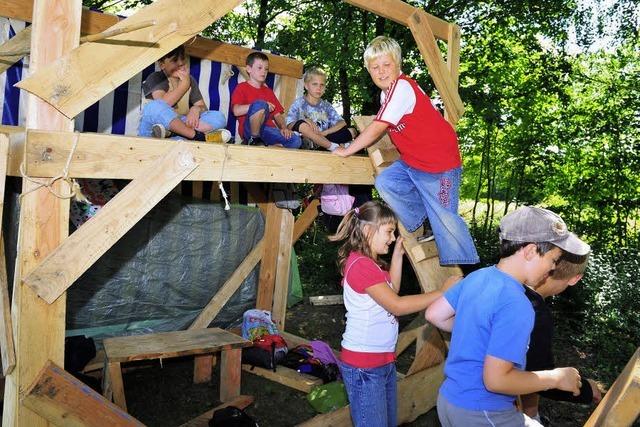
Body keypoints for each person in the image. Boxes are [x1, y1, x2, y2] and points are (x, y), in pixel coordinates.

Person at [425, 206, 591, 426]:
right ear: (531, 251)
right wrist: (556, 378)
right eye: (553, 259)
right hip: (483, 411)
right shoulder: (518, 304)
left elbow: (435, 314)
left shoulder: (478, 276)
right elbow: (496, 380)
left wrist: (481, 331)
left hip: (449, 401)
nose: (552, 269)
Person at [333, 36, 478, 266]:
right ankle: (422, 215)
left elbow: (378, 127)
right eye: (374, 68)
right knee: (387, 182)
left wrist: (349, 150)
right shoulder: (385, 95)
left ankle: (467, 268)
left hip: (441, 164)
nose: (381, 72)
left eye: (386, 65)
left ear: (398, 64)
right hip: (413, 161)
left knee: (446, 219)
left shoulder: (402, 87)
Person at [329, 200, 450, 427]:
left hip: (381, 361)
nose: (393, 238)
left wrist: (397, 256)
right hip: (365, 366)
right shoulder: (361, 265)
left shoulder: (371, 265)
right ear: (367, 230)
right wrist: (441, 292)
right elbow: (396, 305)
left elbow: (392, 289)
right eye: (389, 232)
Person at [521, 253, 602, 424]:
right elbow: (537, 376)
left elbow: (528, 363)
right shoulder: (537, 313)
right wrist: (586, 389)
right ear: (575, 278)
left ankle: (532, 415)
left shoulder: (514, 288)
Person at [139, 45, 231, 143]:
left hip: (182, 124)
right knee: (153, 106)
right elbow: (163, 103)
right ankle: (196, 136)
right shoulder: (156, 77)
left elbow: (202, 107)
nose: (181, 63)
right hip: (155, 127)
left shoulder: (190, 79)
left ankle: (177, 134)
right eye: (174, 60)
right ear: (162, 64)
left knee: (219, 116)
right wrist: (184, 85)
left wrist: (195, 109)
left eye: (183, 58)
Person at [231, 51, 301, 148]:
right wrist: (263, 105)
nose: (263, 71)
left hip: (268, 131)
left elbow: (277, 115)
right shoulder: (241, 87)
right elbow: (236, 111)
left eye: (266, 69)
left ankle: (268, 146)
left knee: (295, 140)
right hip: (250, 130)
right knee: (260, 104)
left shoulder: (268, 91)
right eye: (259, 68)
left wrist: (284, 128)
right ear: (249, 69)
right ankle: (254, 140)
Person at [286, 66, 356, 151]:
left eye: (322, 85)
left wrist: (325, 133)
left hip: (324, 138)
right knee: (301, 124)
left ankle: (322, 145)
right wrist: (304, 121)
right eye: (315, 84)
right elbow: (289, 125)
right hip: (305, 138)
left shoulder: (326, 106)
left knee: (352, 131)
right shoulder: (298, 103)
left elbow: (342, 123)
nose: (319, 88)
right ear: (306, 86)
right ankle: (339, 146)